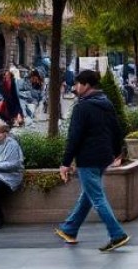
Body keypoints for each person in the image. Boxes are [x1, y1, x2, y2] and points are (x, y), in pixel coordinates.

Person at [54, 70, 129, 252]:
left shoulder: (82, 107)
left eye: (77, 83)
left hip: (87, 157)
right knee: (89, 194)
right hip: (104, 156)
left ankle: (117, 233)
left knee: (96, 196)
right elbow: (116, 129)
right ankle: (69, 229)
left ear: (86, 85)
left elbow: (74, 137)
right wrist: (117, 151)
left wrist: (65, 162)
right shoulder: (106, 103)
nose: (75, 87)